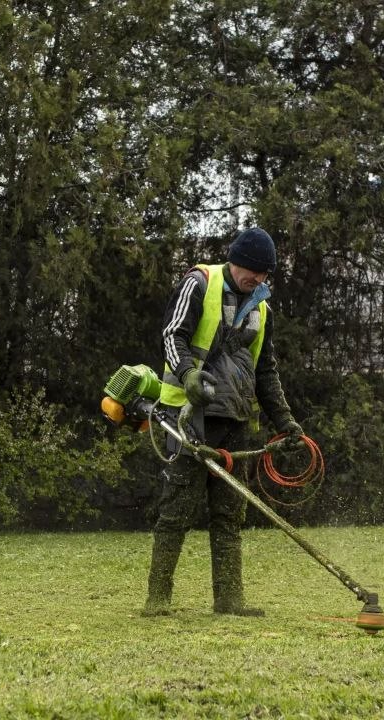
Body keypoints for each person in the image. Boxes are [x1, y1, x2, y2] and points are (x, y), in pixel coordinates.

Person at [143, 227, 304, 617]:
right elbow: (172, 336)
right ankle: (158, 598)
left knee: (230, 514)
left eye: (263, 273)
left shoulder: (262, 309)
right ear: (235, 261)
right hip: (189, 416)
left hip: (235, 420)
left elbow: (266, 371)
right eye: (253, 270)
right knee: (176, 511)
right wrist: (187, 374)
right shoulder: (200, 283)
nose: (257, 278)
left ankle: (229, 599)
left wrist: (285, 420)